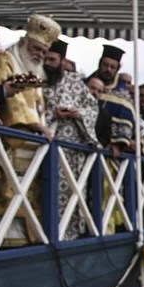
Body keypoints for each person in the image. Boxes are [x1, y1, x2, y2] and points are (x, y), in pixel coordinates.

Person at [0, 14, 61, 246]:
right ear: (24, 42)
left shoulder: (37, 70)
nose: (39, 54)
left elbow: (39, 106)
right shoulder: (6, 60)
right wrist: (36, 125)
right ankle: (4, 241)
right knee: (8, 195)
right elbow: (9, 101)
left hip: (33, 146)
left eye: (43, 50)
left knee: (29, 195)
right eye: (36, 48)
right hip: (12, 139)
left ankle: (29, 239)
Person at [41, 38, 99, 240]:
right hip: (49, 147)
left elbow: (93, 107)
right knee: (50, 192)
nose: (48, 63)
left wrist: (79, 113)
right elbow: (33, 110)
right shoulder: (38, 79)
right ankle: (51, 234)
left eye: (52, 59)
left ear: (61, 60)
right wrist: (52, 114)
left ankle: (73, 233)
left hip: (75, 148)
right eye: (45, 59)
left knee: (75, 191)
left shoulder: (75, 81)